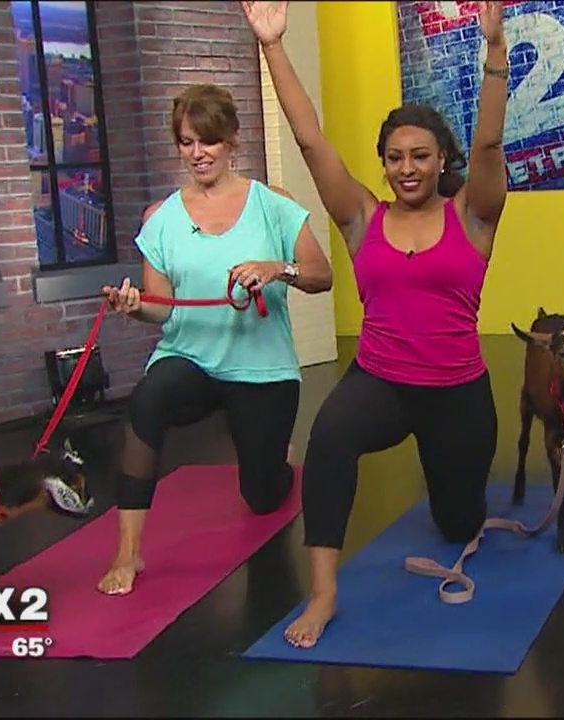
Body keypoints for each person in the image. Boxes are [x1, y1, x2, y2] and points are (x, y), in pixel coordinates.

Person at [243, 0, 511, 647]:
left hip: (456, 392)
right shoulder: (362, 218)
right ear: (384, 163)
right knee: (330, 438)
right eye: (394, 157)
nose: (407, 168)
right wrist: (272, 45)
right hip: (382, 381)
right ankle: (325, 592)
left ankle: (458, 502)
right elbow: (311, 141)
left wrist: (495, 50)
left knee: (457, 522)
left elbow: (491, 142)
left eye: (420, 155)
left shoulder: (473, 215)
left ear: (441, 157)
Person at [96, 82, 334, 595]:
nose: (197, 153)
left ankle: (270, 458)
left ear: (231, 141)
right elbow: (162, 308)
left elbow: (321, 275)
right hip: (191, 359)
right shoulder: (160, 221)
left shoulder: (273, 204)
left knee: (263, 495)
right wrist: (135, 306)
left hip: (261, 367)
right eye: (186, 142)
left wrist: (276, 268)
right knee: (147, 401)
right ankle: (127, 552)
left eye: (207, 141)